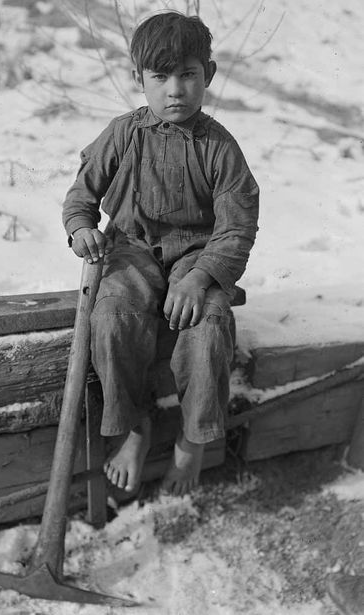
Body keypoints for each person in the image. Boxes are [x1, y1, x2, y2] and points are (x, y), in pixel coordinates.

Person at [62, 11, 259, 496]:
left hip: (198, 256)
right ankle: (133, 427)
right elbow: (80, 198)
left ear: (207, 76)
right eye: (160, 77)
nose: (175, 89)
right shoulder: (123, 133)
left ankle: (192, 442)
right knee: (111, 318)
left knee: (209, 325)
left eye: (188, 75)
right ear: (139, 79)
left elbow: (237, 225)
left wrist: (201, 278)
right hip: (130, 248)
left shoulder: (219, 147)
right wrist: (82, 229)